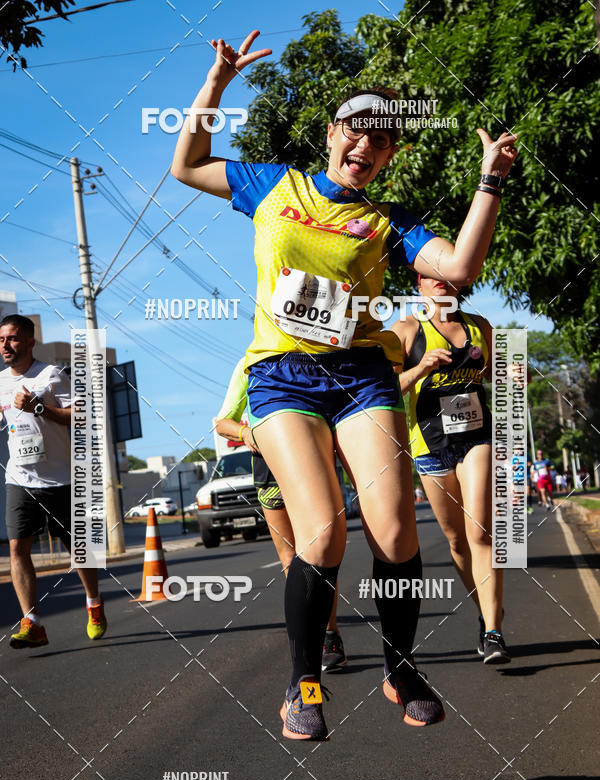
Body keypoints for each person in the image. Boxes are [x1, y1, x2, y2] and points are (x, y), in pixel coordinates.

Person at [171, 30, 517, 739]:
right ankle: (304, 681)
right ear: (333, 134)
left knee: (392, 527)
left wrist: (491, 180)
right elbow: (188, 164)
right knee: (323, 531)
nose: (366, 146)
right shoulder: (275, 185)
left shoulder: (389, 223)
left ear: (391, 156)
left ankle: (400, 666)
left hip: (360, 375)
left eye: (382, 142)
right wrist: (218, 83)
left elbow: (458, 272)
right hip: (282, 376)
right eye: (356, 132)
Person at [392, 275, 510, 664]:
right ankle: (486, 611)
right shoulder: (406, 330)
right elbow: (388, 390)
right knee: (457, 541)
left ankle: (494, 632)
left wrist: (509, 371)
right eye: (430, 276)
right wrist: (423, 366)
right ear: (419, 284)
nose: (440, 282)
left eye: (447, 276)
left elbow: (496, 376)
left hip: (477, 437)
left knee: (480, 532)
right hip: (429, 447)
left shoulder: (480, 327)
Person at [214, 357, 348, 671]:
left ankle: (330, 634)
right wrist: (247, 433)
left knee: (321, 554)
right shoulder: (250, 362)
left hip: (315, 463)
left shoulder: (316, 354)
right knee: (291, 560)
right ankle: (310, 637)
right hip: (269, 470)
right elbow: (222, 422)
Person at [0, 315, 106, 648]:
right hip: (20, 478)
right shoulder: (1, 381)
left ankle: (93, 603)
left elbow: (81, 417)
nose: (6, 345)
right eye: (2, 339)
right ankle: (32, 622)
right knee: (18, 546)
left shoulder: (52, 376)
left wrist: (38, 408)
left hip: (61, 480)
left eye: (13, 338)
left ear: (30, 342)